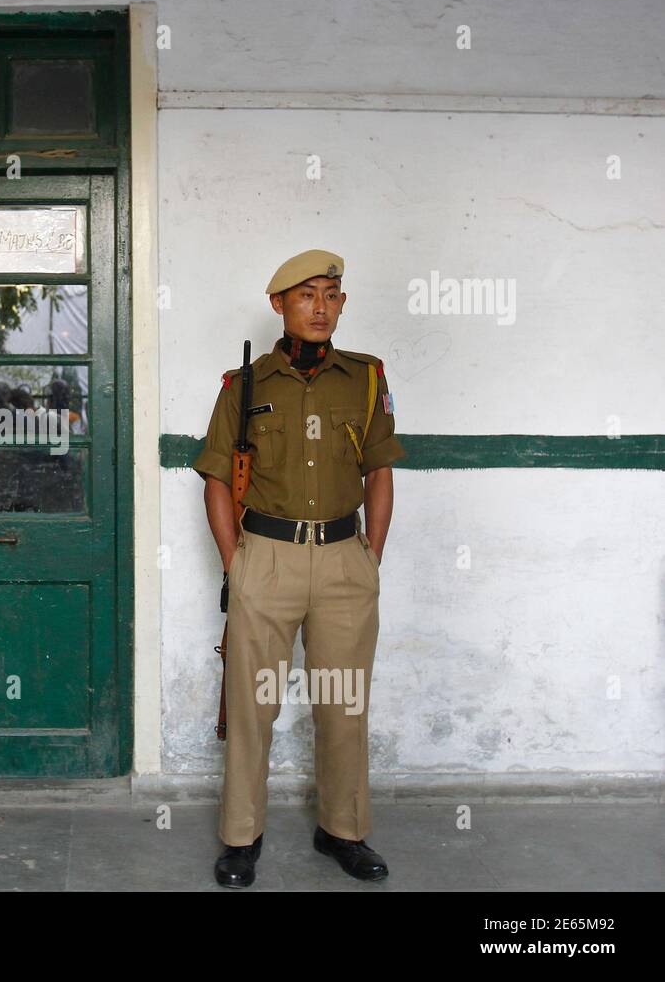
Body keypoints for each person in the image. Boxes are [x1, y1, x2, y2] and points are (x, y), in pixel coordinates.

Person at [193, 249, 406, 888]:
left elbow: (380, 473)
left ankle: (342, 830)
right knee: (254, 706)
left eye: (332, 294)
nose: (321, 307)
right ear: (279, 304)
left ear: (342, 303)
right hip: (268, 557)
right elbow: (215, 480)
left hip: (344, 558)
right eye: (307, 295)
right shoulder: (245, 385)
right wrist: (237, 562)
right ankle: (241, 837)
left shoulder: (366, 380)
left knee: (342, 704)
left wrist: (371, 556)